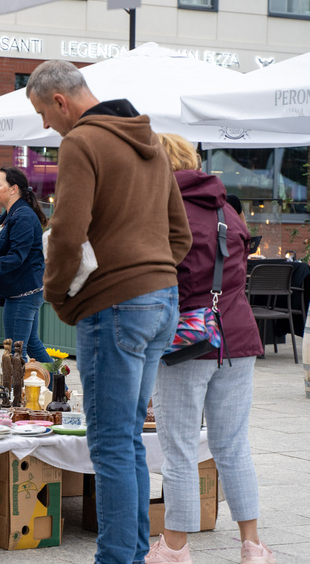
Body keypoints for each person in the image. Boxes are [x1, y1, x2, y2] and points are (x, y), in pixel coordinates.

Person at [26, 60, 192, 563]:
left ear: (60, 100)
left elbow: (68, 233)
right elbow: (180, 235)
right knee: (129, 442)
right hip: (162, 299)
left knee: (112, 443)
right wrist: (150, 273)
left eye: (41, 112)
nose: (44, 126)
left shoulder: (81, 142)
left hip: (116, 305)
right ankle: (132, 554)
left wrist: (57, 295)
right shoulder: (149, 141)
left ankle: (118, 558)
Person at [146, 134, 273, 564]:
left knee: (180, 447)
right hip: (237, 336)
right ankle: (253, 546)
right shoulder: (226, 210)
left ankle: (175, 548)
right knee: (233, 445)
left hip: (187, 342)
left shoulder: (164, 211)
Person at [0, 167, 53, 367]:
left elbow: (16, 257)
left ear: (13, 189)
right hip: (22, 289)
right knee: (31, 344)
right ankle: (59, 387)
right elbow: (7, 254)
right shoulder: (9, 215)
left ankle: (17, 395)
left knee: (16, 350)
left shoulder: (22, 216)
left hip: (23, 293)